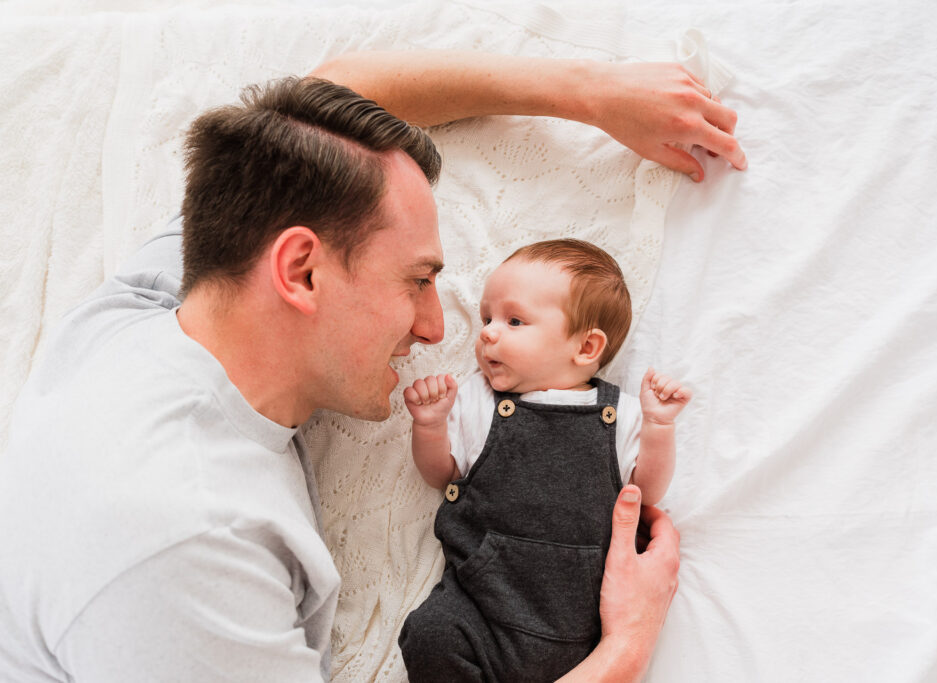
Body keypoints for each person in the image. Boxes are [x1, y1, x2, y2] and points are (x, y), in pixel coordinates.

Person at [0, 50, 744, 682]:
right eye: (416, 280)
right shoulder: (187, 551)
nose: (433, 325)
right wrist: (626, 648)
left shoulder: (157, 306)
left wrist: (588, 94)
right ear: (302, 271)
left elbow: (319, 109)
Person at [397, 239, 692, 681]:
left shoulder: (622, 414)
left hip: (579, 621)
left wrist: (659, 427)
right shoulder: (479, 399)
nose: (488, 332)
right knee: (428, 635)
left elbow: (646, 491)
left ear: (587, 348)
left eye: (514, 320)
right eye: (487, 318)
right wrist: (431, 426)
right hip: (482, 605)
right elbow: (442, 474)